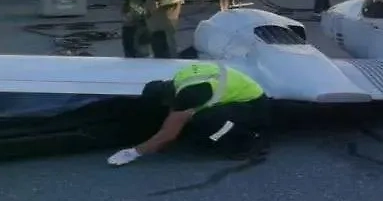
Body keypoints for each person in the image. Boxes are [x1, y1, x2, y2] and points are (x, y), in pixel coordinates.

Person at [106, 62, 271, 166]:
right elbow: (173, 116)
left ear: (165, 99)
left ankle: (249, 141)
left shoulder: (189, 94)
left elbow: (169, 133)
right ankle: (233, 133)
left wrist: (134, 152)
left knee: (206, 122)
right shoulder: (181, 78)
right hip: (246, 96)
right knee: (197, 119)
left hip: (255, 108)